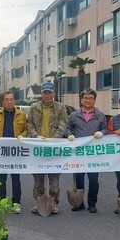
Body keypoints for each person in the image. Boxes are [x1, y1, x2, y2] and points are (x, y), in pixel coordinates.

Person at [26, 81, 69, 214]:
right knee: (38, 178)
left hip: (54, 147)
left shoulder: (61, 108)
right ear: (42, 94)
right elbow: (29, 123)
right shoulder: (34, 107)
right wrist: (35, 136)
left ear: (54, 93)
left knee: (54, 178)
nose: (47, 95)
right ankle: (38, 202)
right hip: (38, 147)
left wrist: (54, 140)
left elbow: (63, 124)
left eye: (50, 92)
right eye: (45, 92)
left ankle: (54, 202)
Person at [64, 89, 108, 213]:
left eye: (91, 98)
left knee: (94, 180)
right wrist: (69, 135)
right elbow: (67, 129)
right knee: (79, 179)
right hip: (78, 153)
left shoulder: (100, 115)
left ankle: (92, 203)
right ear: (81, 100)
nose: (88, 100)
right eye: (85, 98)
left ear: (94, 100)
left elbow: (106, 129)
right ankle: (79, 203)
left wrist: (102, 133)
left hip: (93, 153)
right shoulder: (74, 115)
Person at [0, 92, 28, 213]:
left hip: (15, 151)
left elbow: (26, 130)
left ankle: (16, 203)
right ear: (2, 102)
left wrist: (22, 136)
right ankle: (2, 203)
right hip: (1, 151)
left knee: (16, 179)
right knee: (1, 178)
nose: (9, 102)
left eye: (11, 99)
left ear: (15, 101)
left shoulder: (21, 114)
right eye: (6, 100)